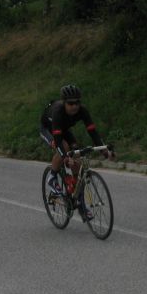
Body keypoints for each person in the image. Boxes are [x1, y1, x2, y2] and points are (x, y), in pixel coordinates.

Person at [40, 84, 114, 220]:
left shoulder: (82, 111)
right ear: (64, 102)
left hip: (64, 128)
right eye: (71, 103)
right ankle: (52, 176)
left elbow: (93, 132)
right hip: (49, 129)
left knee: (77, 160)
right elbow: (58, 140)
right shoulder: (58, 111)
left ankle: (79, 202)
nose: (75, 106)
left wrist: (104, 151)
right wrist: (65, 157)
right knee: (65, 148)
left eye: (77, 102)